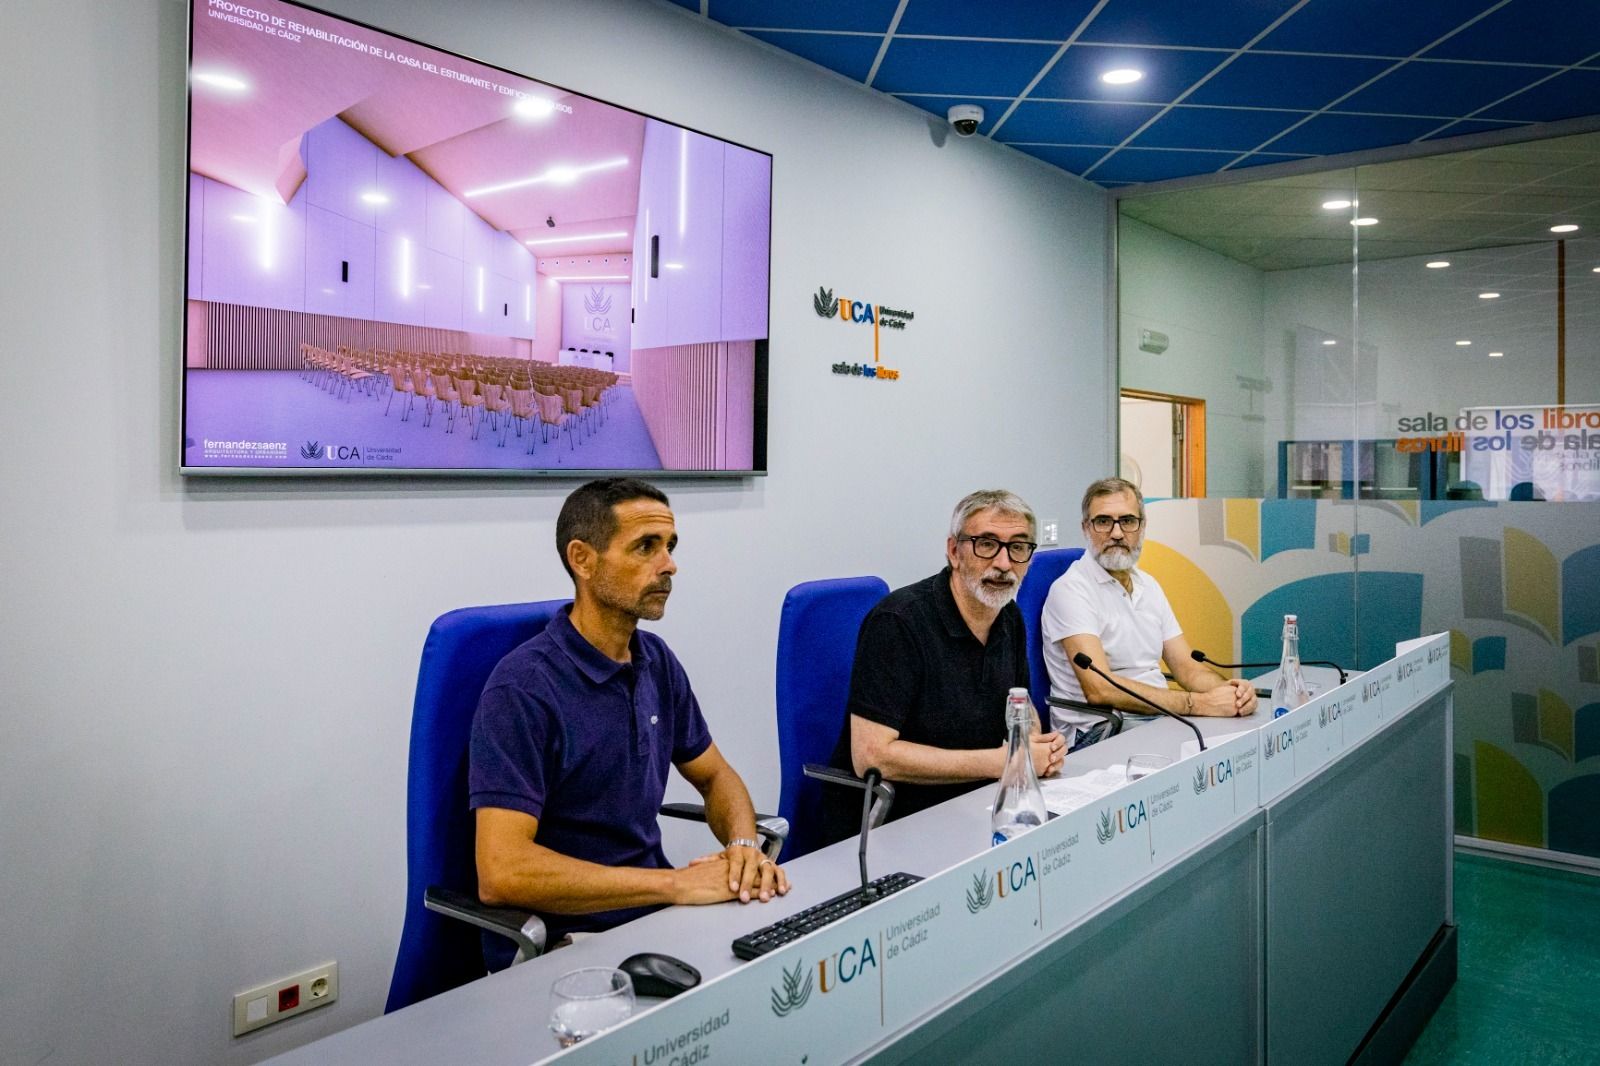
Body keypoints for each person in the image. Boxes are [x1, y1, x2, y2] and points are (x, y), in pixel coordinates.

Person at [470, 478, 788, 967]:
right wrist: (675, 884)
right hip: (568, 941)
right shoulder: (523, 689)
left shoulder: (654, 660)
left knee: (776, 965)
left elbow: (714, 776)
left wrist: (744, 848)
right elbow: (501, 871)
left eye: (670, 546)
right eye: (646, 547)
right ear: (582, 560)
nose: (669, 565)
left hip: (654, 918)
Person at [822, 490, 1067, 843]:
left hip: (976, 801)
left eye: (1018, 547)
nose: (1003, 563)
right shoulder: (898, 622)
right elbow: (872, 756)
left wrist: (1031, 747)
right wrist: (1004, 762)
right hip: (893, 820)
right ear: (954, 551)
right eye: (987, 544)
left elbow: (1020, 705)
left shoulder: (1009, 615)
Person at [1042, 477, 1256, 750]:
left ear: (1142, 527)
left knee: (1236, 742)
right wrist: (1198, 703)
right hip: (1100, 730)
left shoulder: (1149, 585)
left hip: (1155, 717)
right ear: (1086, 528)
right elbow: (1099, 689)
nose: (1117, 533)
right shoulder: (1071, 590)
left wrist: (1230, 693)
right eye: (1103, 521)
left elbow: (1187, 668)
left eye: (1128, 521)